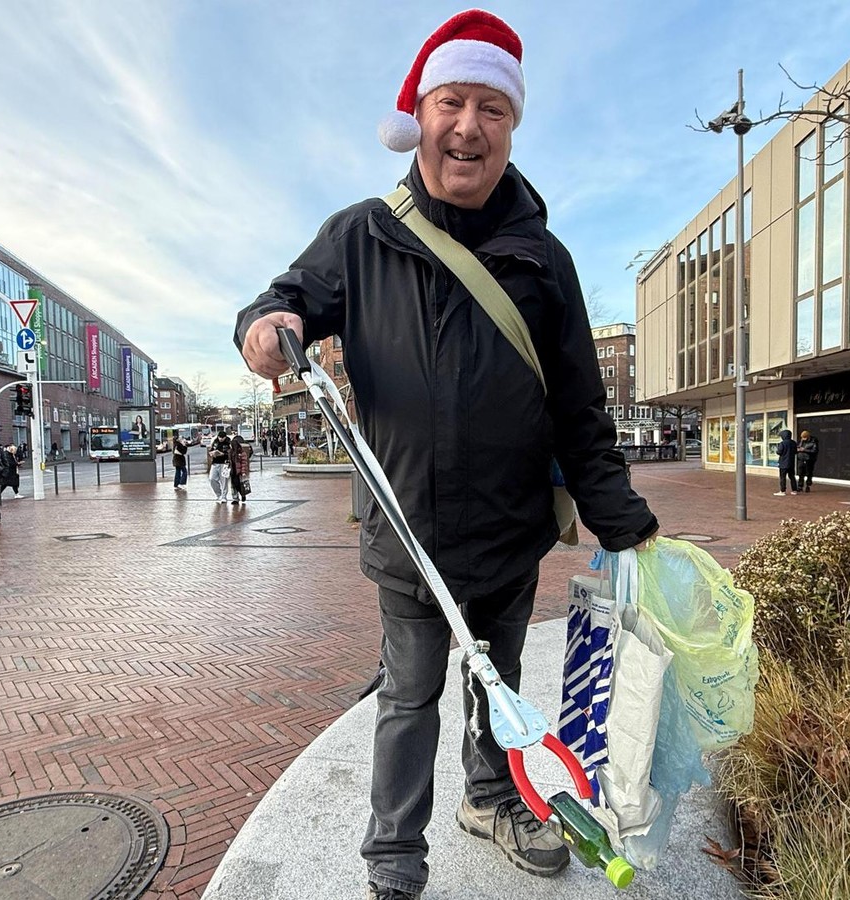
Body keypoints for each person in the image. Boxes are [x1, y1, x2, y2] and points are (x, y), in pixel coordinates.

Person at [235, 12, 657, 898]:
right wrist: (268, 332)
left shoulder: (544, 257)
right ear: (420, 118)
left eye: (491, 109)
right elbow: (285, 301)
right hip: (409, 533)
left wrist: (619, 520)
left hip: (508, 532)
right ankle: (394, 858)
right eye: (453, 103)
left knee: (498, 677)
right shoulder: (361, 235)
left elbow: (580, 406)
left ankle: (492, 796)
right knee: (411, 689)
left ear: (511, 126)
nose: (469, 126)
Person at [208, 428, 232, 504]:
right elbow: (211, 450)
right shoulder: (215, 441)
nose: (220, 439)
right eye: (219, 437)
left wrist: (223, 454)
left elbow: (231, 452)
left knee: (224, 481)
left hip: (224, 463)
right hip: (215, 463)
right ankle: (218, 494)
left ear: (225, 437)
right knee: (212, 479)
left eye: (222, 437)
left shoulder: (228, 442)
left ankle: (224, 496)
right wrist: (211, 453)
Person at [229, 433, 253, 504]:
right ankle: (236, 498)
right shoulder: (230, 452)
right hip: (232, 471)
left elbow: (244, 463)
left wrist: (243, 472)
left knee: (238, 484)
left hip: (238, 471)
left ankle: (242, 494)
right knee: (233, 485)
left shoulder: (241, 452)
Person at [774, 429, 798, 496]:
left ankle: (782, 491)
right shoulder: (793, 443)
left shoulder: (782, 443)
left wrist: (777, 450)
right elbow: (796, 452)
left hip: (783, 463)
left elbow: (779, 452)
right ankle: (794, 490)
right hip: (791, 463)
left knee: (782, 477)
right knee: (792, 477)